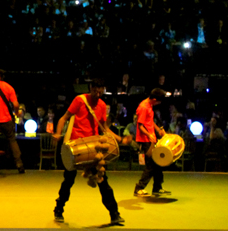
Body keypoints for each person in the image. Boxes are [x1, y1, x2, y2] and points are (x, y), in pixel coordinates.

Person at [51, 79, 124, 225]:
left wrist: (118, 139)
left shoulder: (102, 105)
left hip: (94, 146)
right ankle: (58, 209)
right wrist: (58, 134)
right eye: (95, 90)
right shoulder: (80, 100)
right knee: (69, 180)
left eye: (101, 90)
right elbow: (64, 118)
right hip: (76, 146)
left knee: (103, 181)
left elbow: (104, 127)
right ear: (91, 88)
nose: (98, 93)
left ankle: (114, 214)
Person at [134, 88, 171, 197]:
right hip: (145, 140)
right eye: (159, 101)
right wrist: (149, 135)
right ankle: (139, 188)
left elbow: (149, 122)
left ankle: (157, 188)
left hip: (151, 138)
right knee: (150, 165)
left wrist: (158, 130)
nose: (159, 103)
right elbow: (140, 125)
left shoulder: (149, 106)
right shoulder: (143, 107)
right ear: (154, 99)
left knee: (158, 162)